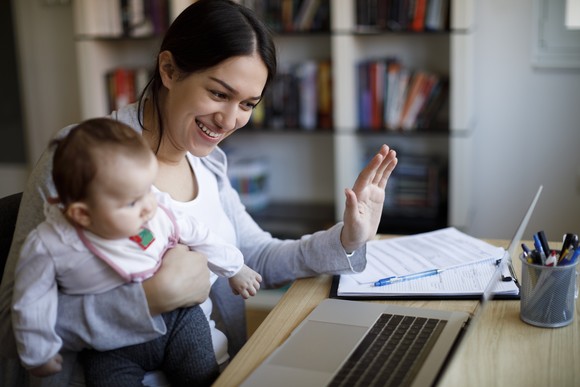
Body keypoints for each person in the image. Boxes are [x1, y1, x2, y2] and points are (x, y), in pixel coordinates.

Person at [0, 0, 398, 385]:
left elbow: (254, 256)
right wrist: (150, 299)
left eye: (248, 103)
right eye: (219, 94)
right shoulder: (80, 157)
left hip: (219, 369)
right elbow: (10, 326)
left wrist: (347, 239)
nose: (229, 120)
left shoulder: (209, 161)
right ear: (169, 70)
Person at [11, 118, 262, 386]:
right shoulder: (51, 244)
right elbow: (31, 300)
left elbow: (200, 234)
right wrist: (38, 352)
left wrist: (235, 268)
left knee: (201, 375)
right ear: (82, 214)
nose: (148, 206)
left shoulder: (153, 205)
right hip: (109, 344)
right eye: (132, 202)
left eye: (148, 190)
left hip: (178, 319)